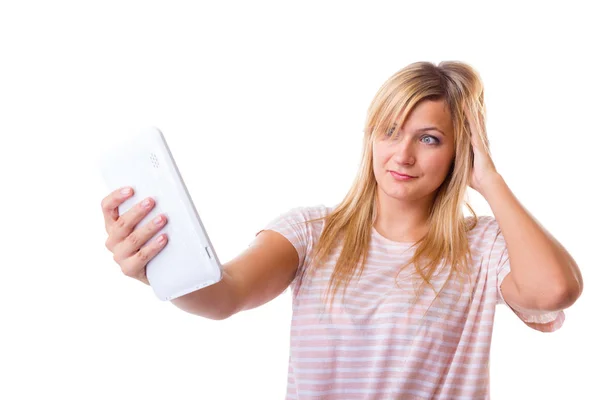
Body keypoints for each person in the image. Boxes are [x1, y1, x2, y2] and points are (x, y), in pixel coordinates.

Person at [101, 61, 583, 399]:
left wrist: (490, 179)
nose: (403, 155)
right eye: (390, 131)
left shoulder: (483, 245)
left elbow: (555, 290)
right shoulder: (311, 232)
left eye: (430, 139)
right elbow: (225, 296)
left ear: (462, 151)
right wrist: (159, 268)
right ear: (371, 136)